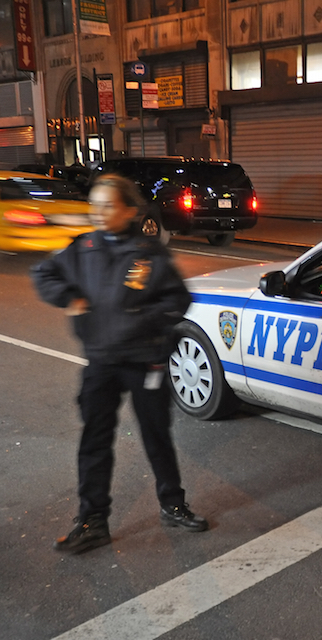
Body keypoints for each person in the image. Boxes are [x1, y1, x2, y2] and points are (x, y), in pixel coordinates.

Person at [31, 174, 207, 555]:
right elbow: (43, 273)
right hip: (101, 363)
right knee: (94, 440)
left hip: (146, 361)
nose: (98, 212)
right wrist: (68, 297)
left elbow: (178, 299)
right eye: (95, 204)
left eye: (108, 205)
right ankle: (93, 520)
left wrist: (144, 321)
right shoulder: (82, 248)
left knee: (155, 435)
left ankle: (172, 504)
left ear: (129, 210)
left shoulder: (149, 253)